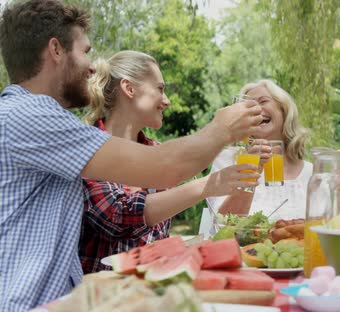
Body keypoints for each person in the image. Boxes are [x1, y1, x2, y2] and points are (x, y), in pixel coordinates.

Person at [0, 1, 262, 310]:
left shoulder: (30, 116)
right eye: (85, 51)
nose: (94, 66)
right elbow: (166, 168)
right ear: (56, 50)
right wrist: (222, 129)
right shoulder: (30, 115)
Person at [79, 50, 259, 273]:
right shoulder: (87, 147)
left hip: (154, 293)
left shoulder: (156, 151)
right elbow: (118, 217)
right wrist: (207, 184)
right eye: (160, 89)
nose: (167, 100)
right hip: (101, 297)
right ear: (129, 88)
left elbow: (155, 240)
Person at [199, 79, 311, 237]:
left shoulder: (312, 173)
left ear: (284, 110)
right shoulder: (227, 160)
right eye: (248, 106)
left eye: (263, 101)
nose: (256, 109)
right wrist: (251, 170)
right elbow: (223, 228)